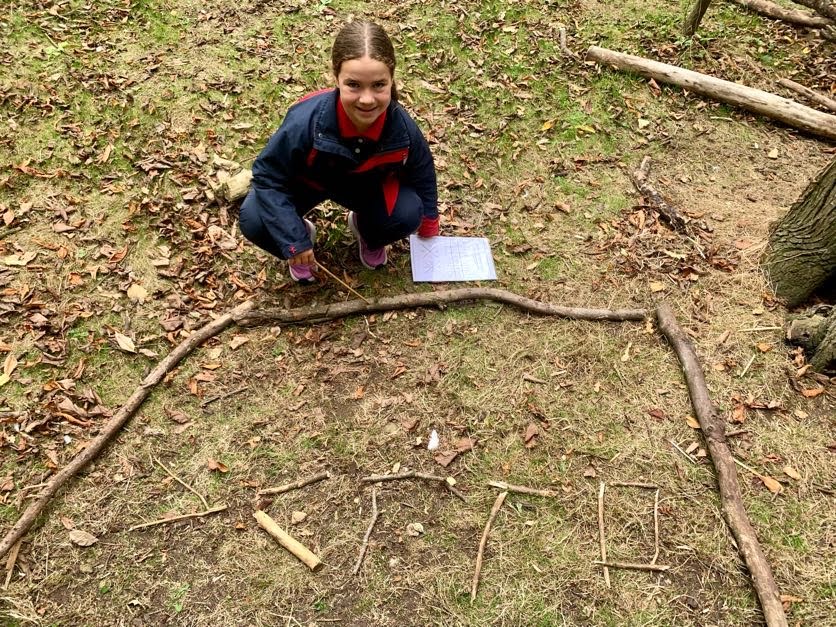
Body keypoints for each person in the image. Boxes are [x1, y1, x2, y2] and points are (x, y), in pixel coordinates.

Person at [239, 20, 440, 284]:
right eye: (354, 85)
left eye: (379, 85)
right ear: (336, 79)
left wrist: (429, 222)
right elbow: (267, 176)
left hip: (365, 188)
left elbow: (422, 171)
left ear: (392, 80)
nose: (366, 99)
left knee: (408, 213)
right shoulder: (305, 121)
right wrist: (293, 239)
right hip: (307, 183)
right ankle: (303, 235)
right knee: (254, 217)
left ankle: (367, 232)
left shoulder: (401, 127)